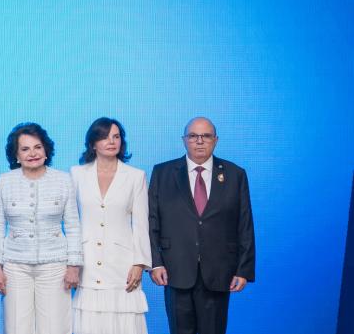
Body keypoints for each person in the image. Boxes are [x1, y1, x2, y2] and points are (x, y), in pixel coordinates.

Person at [148, 117, 255, 334]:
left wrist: (243, 270)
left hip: (219, 271)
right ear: (184, 140)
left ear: (215, 140)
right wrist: (155, 263)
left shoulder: (235, 175)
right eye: (193, 136)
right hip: (175, 270)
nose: (199, 141)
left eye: (206, 136)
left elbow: (245, 224)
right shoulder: (162, 173)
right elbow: (151, 222)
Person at [0, 122, 82, 334]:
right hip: (14, 267)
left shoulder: (63, 180)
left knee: (55, 328)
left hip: (55, 267)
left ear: (46, 150)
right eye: (25, 149)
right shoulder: (5, 182)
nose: (32, 153)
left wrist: (74, 266)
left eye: (37, 147)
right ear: (16, 155)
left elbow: (73, 226)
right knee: (16, 327)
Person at [70, 118, 151, 334]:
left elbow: (142, 223)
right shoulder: (76, 174)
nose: (111, 141)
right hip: (86, 262)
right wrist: (71, 261)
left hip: (122, 266)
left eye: (116, 136)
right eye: (105, 136)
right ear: (92, 143)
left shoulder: (136, 176)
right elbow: (70, 221)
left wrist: (139, 264)